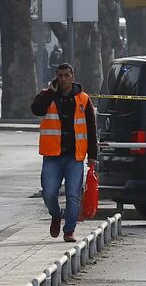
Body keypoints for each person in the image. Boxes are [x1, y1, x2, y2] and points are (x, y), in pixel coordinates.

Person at [31, 63, 98, 242]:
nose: (63, 79)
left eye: (66, 75)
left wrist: (93, 156)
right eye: (60, 76)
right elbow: (36, 110)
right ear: (56, 77)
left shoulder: (84, 99)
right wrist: (50, 93)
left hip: (74, 157)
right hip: (52, 156)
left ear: (72, 77)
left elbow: (91, 129)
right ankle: (56, 214)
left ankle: (69, 231)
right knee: (49, 193)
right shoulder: (48, 95)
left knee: (73, 195)